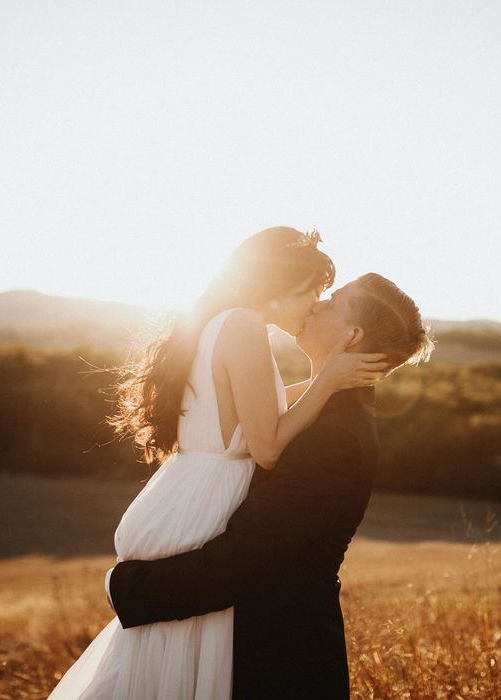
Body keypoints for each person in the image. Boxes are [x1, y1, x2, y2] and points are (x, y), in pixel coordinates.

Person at [47, 227, 389, 699]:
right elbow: (267, 446)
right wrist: (327, 381)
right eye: (313, 292)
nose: (314, 303)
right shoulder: (244, 326)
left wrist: (325, 383)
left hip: (188, 491)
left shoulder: (226, 321)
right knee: (184, 660)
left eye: (324, 298)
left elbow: (258, 409)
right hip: (207, 499)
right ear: (280, 284)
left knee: (167, 657)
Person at [107, 272, 434, 699]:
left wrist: (128, 589)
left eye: (333, 301)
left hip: (279, 661)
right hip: (255, 650)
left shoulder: (336, 439)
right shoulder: (321, 412)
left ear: (351, 336)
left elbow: (245, 558)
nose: (317, 304)